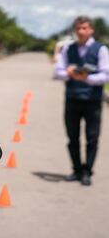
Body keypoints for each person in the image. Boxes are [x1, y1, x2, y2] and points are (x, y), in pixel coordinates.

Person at [54, 16, 109, 186]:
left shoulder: (101, 49)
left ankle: (87, 171)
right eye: (78, 28)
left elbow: (105, 75)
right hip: (72, 99)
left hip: (93, 100)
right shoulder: (67, 49)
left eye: (84, 28)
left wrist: (87, 78)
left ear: (91, 30)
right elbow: (58, 72)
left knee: (92, 138)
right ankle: (76, 169)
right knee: (72, 137)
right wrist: (69, 73)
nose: (81, 31)